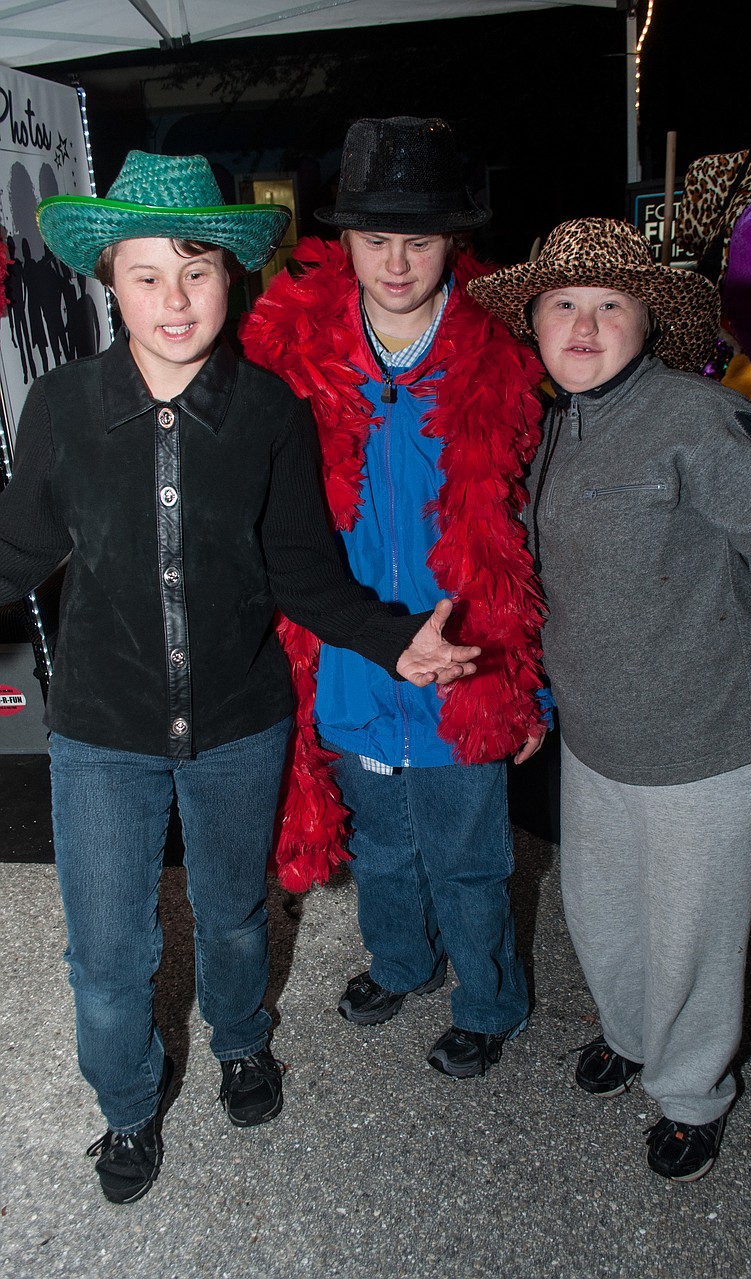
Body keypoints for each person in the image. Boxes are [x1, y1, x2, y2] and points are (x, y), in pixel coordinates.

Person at [0, 150, 481, 1205]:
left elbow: (300, 567)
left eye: (198, 267)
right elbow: (17, 547)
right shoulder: (62, 405)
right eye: (145, 274)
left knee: (227, 912)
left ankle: (241, 1042)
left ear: (233, 276)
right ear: (107, 281)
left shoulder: (268, 412)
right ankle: (126, 1107)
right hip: (101, 732)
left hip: (238, 725)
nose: (175, 299)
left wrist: (392, 637)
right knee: (107, 950)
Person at [468, 217, 751, 1180]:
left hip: (708, 741)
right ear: (536, 323)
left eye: (610, 305)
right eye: (563, 304)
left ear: (647, 321)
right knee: (605, 918)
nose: (584, 326)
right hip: (597, 740)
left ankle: (691, 1092)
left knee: (693, 941)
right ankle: (634, 1035)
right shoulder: (554, 429)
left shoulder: (702, 419)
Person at [241, 116, 548, 1079]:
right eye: (378, 239)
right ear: (346, 243)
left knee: (469, 852)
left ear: (454, 240)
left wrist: (532, 686)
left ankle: (492, 998)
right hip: (352, 657)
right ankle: (402, 961)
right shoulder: (295, 355)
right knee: (381, 845)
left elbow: (533, 545)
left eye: (420, 238)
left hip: (469, 662)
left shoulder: (502, 355)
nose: (399, 261)